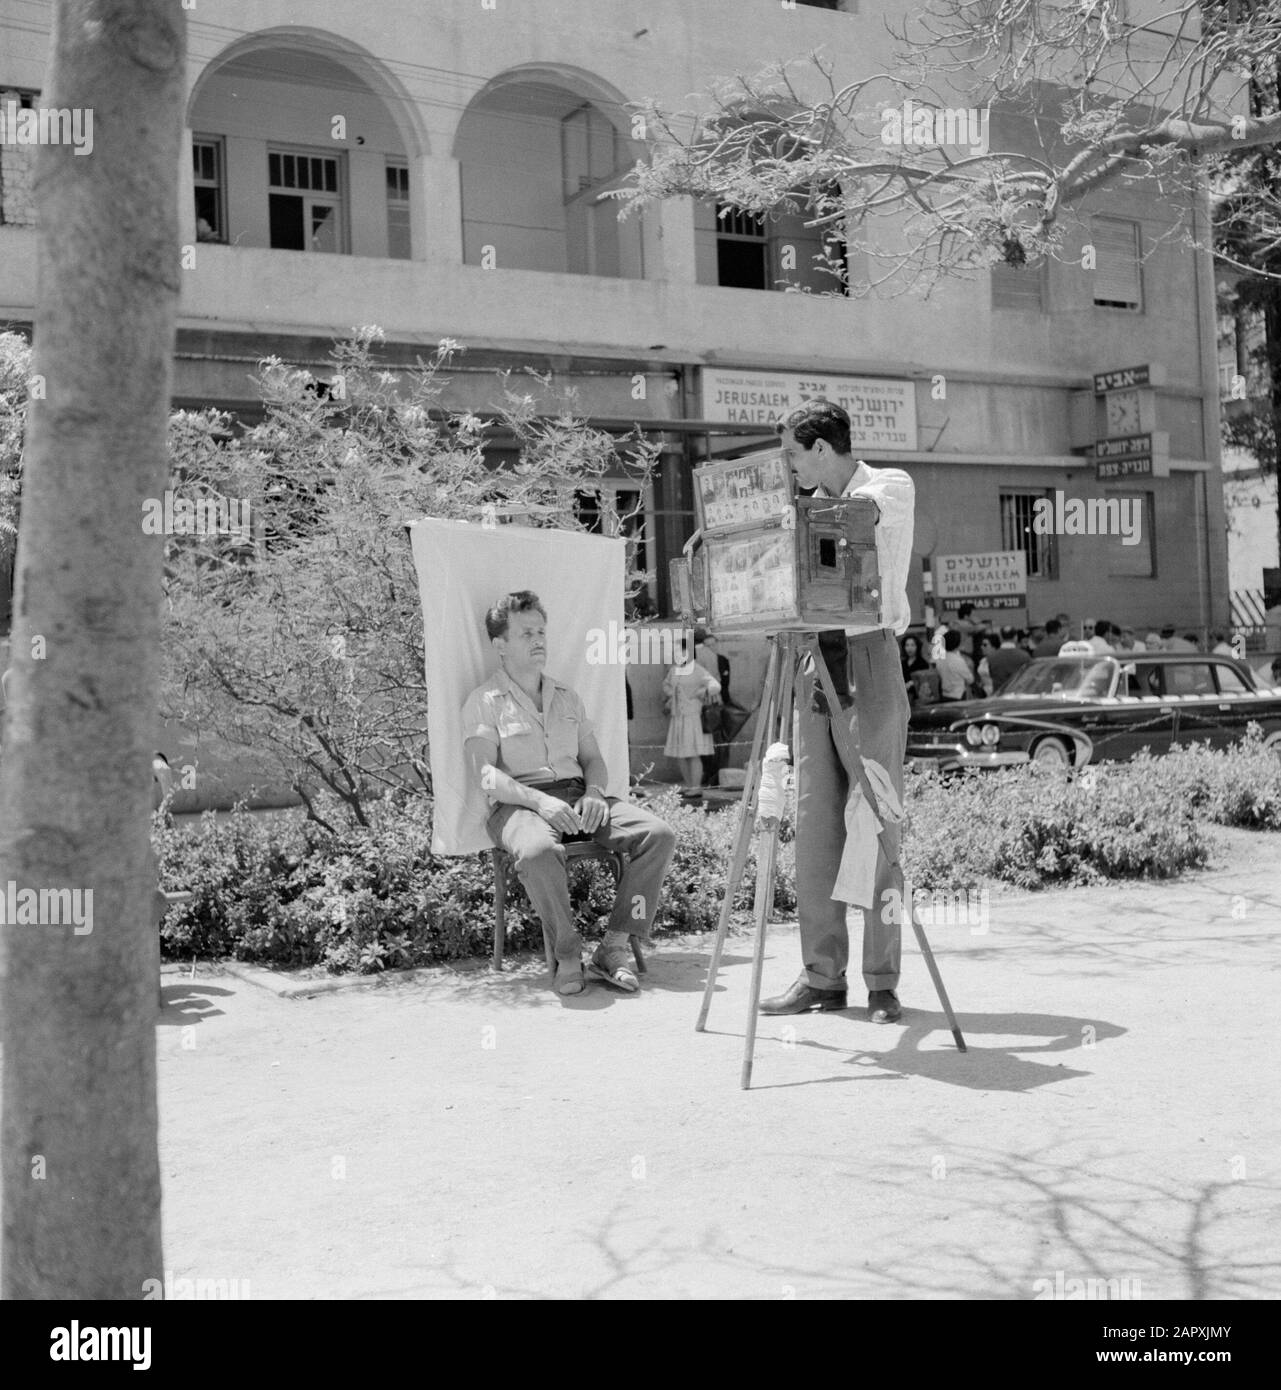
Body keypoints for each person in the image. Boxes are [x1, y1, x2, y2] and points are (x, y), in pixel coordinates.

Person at [759, 399, 914, 1024]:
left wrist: (789, 521)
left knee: (877, 822)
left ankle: (882, 981)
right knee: (815, 826)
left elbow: (857, 518)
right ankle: (822, 975)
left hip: (868, 658)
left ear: (822, 448)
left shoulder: (889, 485)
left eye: (794, 454)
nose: (790, 468)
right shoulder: (799, 503)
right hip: (811, 662)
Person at [462, 590, 677, 997]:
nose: (538, 639)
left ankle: (613, 949)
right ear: (500, 644)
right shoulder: (484, 702)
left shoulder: (567, 696)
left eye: (541, 631)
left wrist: (595, 791)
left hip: (579, 797)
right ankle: (567, 952)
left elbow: (593, 758)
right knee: (539, 853)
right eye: (526, 633)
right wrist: (539, 800)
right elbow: (485, 776)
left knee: (658, 835)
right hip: (518, 806)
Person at [663, 634, 721, 794]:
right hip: (677, 716)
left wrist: (702, 691)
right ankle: (689, 785)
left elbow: (715, 685)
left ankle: (696, 787)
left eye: (678, 650)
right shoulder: (674, 670)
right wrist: (671, 694)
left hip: (693, 716)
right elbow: (666, 685)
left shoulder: (697, 669)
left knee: (693, 753)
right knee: (680, 754)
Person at [988, 625, 1032, 690]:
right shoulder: (1025, 656)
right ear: (1015, 637)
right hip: (1018, 693)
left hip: (999, 694)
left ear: (1001, 638)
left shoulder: (991, 657)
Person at [937, 628, 975, 701]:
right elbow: (970, 679)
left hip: (944, 694)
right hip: (958, 695)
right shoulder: (958, 660)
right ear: (958, 643)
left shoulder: (940, 659)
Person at [976, 631, 998, 696]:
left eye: (985, 645)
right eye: (981, 645)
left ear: (994, 646)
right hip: (983, 693)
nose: (981, 647)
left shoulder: (998, 660)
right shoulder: (983, 661)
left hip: (995, 693)